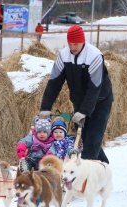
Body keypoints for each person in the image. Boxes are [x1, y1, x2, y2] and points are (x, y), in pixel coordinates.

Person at [39, 25, 113, 164]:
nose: (73, 47)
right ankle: (104, 167)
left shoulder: (94, 56)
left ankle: (87, 181)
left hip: (100, 101)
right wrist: (46, 106)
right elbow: (54, 82)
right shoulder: (63, 55)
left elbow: (94, 87)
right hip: (80, 101)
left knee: (92, 142)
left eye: (76, 44)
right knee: (87, 138)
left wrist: (84, 111)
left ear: (83, 41)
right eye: (70, 44)